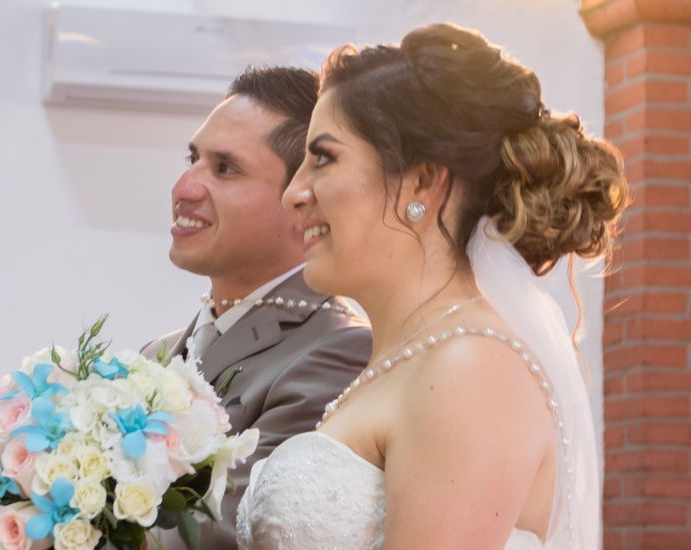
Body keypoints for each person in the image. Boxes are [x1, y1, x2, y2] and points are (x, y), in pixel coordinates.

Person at [0, 66, 372, 550]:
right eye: (192, 157)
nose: (184, 185)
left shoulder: (336, 348)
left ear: (303, 199)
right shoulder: (160, 354)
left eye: (225, 169)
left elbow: (212, 536)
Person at [236, 23, 627, 550]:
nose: (293, 193)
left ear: (422, 181)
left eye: (324, 158)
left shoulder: (472, 367)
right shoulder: (408, 359)